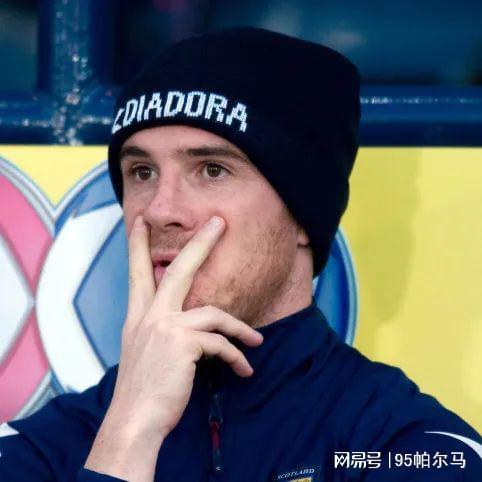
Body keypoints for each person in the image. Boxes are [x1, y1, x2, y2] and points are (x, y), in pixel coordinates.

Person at [0, 27, 481, 482]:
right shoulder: (43, 446)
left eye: (212, 170)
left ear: (302, 214)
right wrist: (128, 436)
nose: (161, 210)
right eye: (142, 172)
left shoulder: (410, 445)